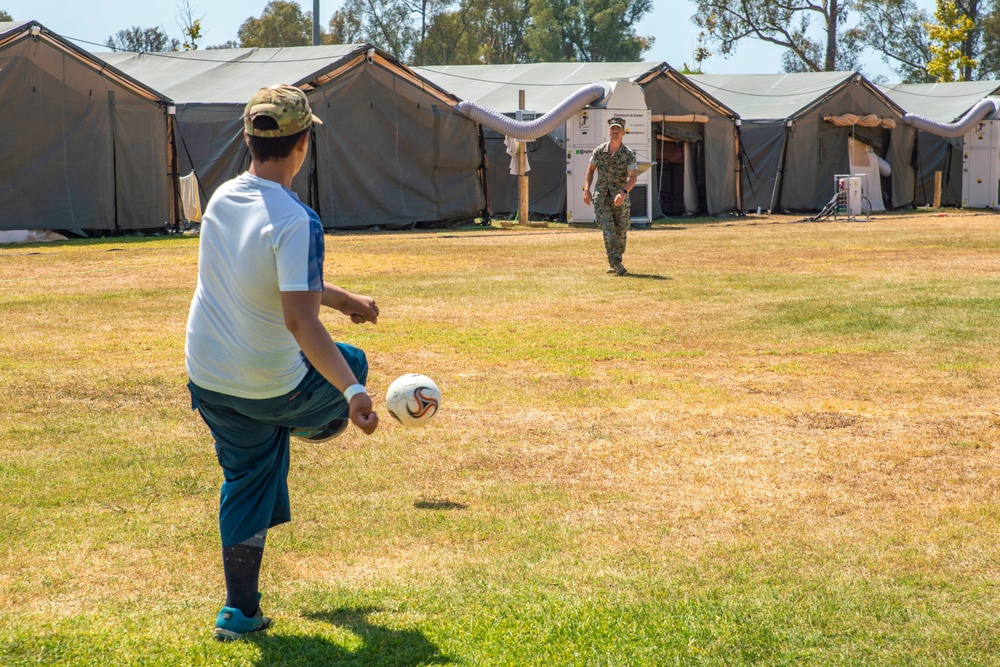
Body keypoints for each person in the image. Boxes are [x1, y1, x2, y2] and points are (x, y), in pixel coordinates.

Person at [184, 84, 380, 642]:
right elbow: (301, 322)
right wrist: (351, 394)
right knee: (353, 361)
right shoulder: (300, 220)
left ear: (248, 138)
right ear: (304, 144)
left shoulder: (222, 197)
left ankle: (239, 613)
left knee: (248, 474)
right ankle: (313, 423)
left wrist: (345, 301)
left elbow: (278, 283)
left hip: (209, 378)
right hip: (272, 385)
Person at [582, 116, 639, 276]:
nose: (615, 132)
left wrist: (623, 192)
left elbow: (633, 177)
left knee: (621, 231)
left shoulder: (628, 154)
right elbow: (590, 169)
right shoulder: (600, 151)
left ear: (623, 133)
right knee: (608, 230)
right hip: (602, 198)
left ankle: (614, 259)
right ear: (609, 132)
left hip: (619, 198)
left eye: (618, 129)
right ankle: (616, 264)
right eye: (613, 129)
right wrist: (586, 189)